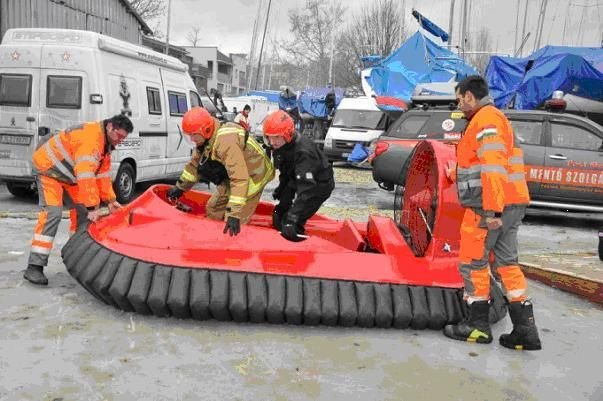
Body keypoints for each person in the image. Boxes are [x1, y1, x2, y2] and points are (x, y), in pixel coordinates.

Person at [443, 75, 542, 351]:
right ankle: (526, 332)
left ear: (470, 96)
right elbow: (482, 165)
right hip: (511, 204)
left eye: (459, 99)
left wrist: (492, 210)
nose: (459, 105)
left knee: (473, 262)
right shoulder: (492, 120)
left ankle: (477, 327)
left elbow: (493, 167)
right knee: (507, 265)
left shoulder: (486, 121)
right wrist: (454, 174)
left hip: (489, 208)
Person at [24, 114, 134, 285]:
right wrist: (92, 208)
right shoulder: (91, 138)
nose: (120, 140)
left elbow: (102, 176)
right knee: (53, 213)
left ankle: (76, 259)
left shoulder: (106, 145)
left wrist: (111, 201)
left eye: (123, 138)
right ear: (110, 127)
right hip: (48, 171)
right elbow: (86, 175)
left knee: (83, 214)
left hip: (69, 176)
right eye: (119, 136)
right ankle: (34, 266)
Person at [167, 107, 274, 236]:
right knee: (213, 207)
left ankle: (231, 245)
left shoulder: (225, 142)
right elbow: (194, 166)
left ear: (205, 130)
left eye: (193, 135)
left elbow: (240, 179)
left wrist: (234, 214)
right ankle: (214, 238)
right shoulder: (206, 139)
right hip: (234, 176)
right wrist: (180, 188)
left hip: (254, 175)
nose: (191, 139)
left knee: (235, 224)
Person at [263, 110, 335, 242]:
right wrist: (281, 191)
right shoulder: (280, 147)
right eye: (269, 137)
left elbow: (307, 189)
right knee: (280, 212)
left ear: (287, 134)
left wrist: (293, 217)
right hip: (295, 176)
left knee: (294, 220)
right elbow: (285, 172)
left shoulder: (304, 152)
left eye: (277, 137)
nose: (272, 142)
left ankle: (296, 238)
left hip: (318, 184)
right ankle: (280, 232)